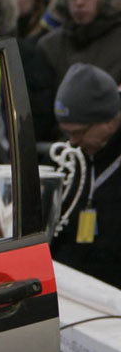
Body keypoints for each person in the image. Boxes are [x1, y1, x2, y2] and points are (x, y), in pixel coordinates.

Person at [51, 63, 121, 288]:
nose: (72, 141)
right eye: (66, 132)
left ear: (109, 121)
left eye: (78, 132)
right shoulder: (67, 158)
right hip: (69, 288)